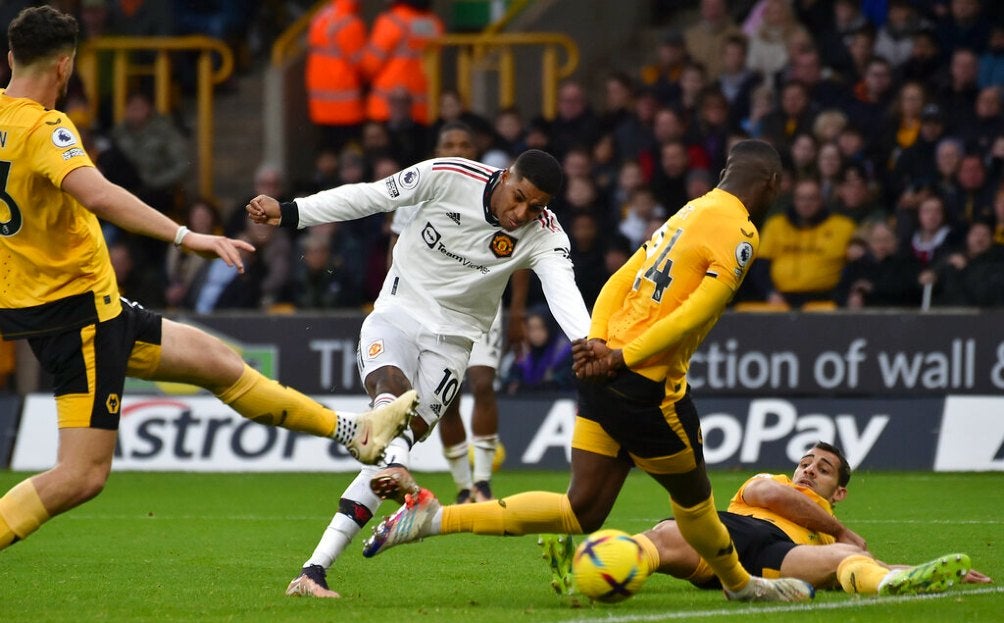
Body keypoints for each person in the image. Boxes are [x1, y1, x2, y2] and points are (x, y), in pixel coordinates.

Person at [0, 6, 417, 553]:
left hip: (86, 308)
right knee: (80, 476)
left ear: (11, 58)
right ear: (64, 66)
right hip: (79, 318)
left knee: (218, 362)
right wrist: (185, 237)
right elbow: (96, 193)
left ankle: (355, 433)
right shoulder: (44, 126)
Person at [362, 139, 817, 603]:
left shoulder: (690, 211)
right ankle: (742, 585)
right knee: (696, 504)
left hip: (604, 374)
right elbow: (693, 315)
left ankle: (433, 518)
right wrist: (621, 357)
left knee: (582, 510)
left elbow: (622, 276)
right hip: (647, 386)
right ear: (772, 184)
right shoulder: (741, 232)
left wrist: (595, 342)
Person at [245, 148, 591, 598]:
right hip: (398, 315)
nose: (522, 213)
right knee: (392, 402)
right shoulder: (447, 176)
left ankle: (313, 572)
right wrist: (292, 213)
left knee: (392, 440)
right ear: (506, 176)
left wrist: (587, 341)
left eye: (536, 206)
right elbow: (369, 197)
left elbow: (563, 289)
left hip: (453, 344)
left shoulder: (544, 234)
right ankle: (401, 469)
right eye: (519, 197)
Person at [383, 120, 527, 506]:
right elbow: (396, 246)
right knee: (446, 397)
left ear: (475, 150)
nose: (458, 149)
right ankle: (463, 486)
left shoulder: (500, 194)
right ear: (437, 150)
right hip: (426, 305)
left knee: (482, 383)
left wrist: (517, 313)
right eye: (450, 143)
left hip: (482, 307)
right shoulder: (418, 188)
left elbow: (521, 259)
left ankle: (482, 483)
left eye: (466, 143)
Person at [635, 442, 991, 596]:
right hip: (731, 532)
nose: (808, 471)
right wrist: (839, 529)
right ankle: (594, 562)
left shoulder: (831, 538)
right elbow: (772, 497)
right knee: (664, 537)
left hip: (775, 559)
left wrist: (929, 571)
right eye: (805, 463)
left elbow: (869, 560)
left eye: (822, 469)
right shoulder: (772, 482)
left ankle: (889, 587)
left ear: (839, 493)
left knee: (849, 560)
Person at [359, 0, 444, 125]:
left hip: (388, 107)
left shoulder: (392, 21)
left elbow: (370, 65)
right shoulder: (434, 23)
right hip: (423, 109)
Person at [304, 0, 366, 153]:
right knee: (350, 152)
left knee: (328, 150)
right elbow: (363, 64)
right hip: (344, 104)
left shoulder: (322, 15)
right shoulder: (350, 23)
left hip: (320, 102)